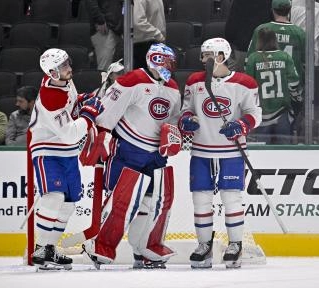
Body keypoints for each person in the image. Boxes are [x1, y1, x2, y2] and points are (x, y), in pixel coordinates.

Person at [82, 43, 182, 269]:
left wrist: (178, 129)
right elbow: (107, 112)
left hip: (156, 153)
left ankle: (145, 248)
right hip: (129, 149)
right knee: (122, 200)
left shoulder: (173, 87)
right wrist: (101, 137)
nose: (171, 67)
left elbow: (173, 120)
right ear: (155, 60)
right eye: (168, 61)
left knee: (154, 203)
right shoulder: (131, 80)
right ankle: (101, 246)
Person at [178, 38, 261, 268]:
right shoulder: (194, 81)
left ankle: (235, 244)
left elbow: (255, 114)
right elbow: (186, 110)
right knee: (201, 199)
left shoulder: (245, 83)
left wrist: (241, 125)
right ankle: (204, 246)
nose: (202, 60)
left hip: (231, 151)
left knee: (231, 197)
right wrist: (187, 121)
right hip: (201, 149)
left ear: (221, 57)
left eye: (206, 56)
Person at [29, 48, 105, 270]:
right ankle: (41, 249)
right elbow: (71, 132)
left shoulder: (64, 81)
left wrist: (83, 100)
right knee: (53, 197)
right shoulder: (50, 96)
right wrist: (89, 115)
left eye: (67, 63)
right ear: (52, 73)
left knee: (69, 204)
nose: (69, 68)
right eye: (63, 66)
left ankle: (50, 250)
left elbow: (70, 105)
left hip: (68, 152)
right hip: (48, 149)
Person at [246, 28, 302, 144]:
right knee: (286, 151)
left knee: (261, 152)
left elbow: (248, 87)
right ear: (274, 40)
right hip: (282, 112)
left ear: (259, 40)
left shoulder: (253, 58)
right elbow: (294, 82)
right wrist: (297, 99)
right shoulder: (284, 57)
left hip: (261, 114)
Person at [246, 0, 306, 85]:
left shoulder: (261, 29)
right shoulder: (299, 32)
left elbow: (249, 60)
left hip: (265, 83)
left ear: (272, 10)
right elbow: (306, 62)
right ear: (289, 10)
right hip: (291, 84)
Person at [291, 0, 319, 106]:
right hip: (316, 63)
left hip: (296, 62)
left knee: (296, 101)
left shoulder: (289, 7)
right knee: (316, 103)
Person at [224, 0, 273, 72]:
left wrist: (231, 40)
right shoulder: (269, 2)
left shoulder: (239, 2)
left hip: (242, 46)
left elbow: (232, 24)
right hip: (263, 45)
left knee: (240, 78)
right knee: (262, 76)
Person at [86, 0, 124, 71]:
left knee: (119, 70)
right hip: (104, 28)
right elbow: (91, 3)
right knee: (104, 69)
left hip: (119, 27)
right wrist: (99, 20)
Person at [133, 0, 166, 69]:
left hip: (156, 42)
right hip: (143, 44)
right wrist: (157, 34)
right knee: (144, 77)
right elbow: (139, 21)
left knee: (156, 76)